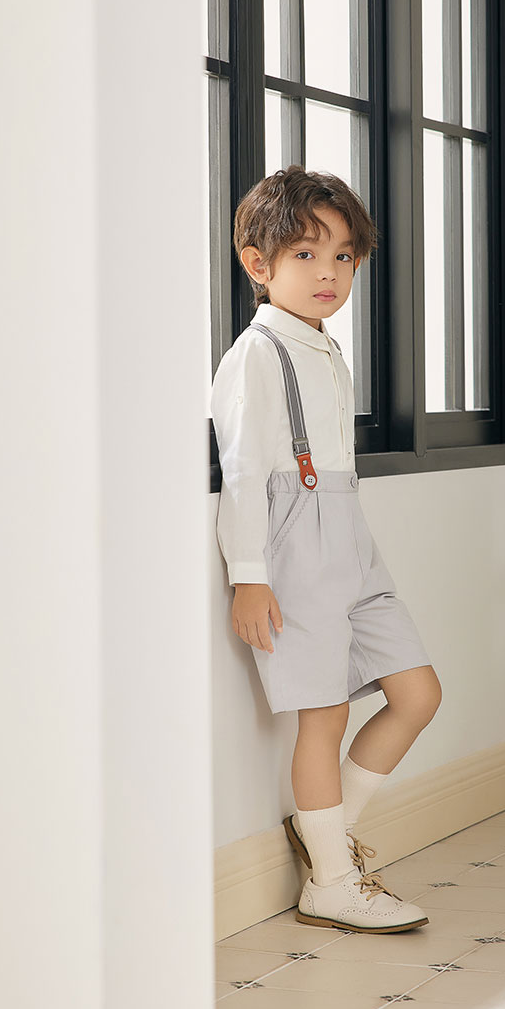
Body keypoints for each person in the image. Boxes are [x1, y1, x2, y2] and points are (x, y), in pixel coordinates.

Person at [210, 165, 443, 933]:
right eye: (306, 254)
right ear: (257, 263)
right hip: (295, 545)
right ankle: (333, 882)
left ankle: (326, 835)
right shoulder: (257, 354)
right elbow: (245, 474)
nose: (329, 273)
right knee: (325, 718)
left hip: (349, 537)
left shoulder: (323, 346)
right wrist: (249, 576)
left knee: (417, 694)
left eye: (343, 256)